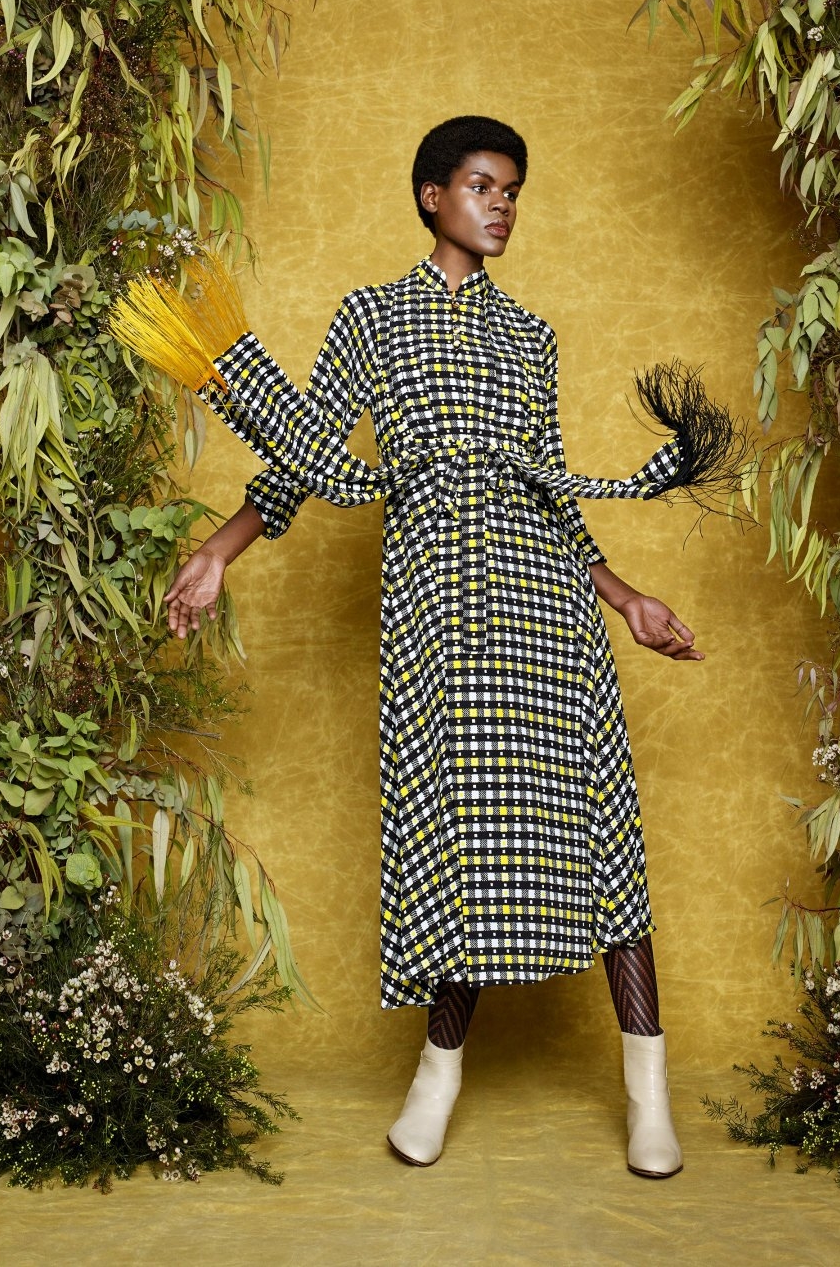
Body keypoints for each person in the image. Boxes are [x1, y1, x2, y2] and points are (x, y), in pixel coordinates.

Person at [163, 116, 719, 1178]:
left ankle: (649, 1093)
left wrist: (626, 599)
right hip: (435, 609)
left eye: (512, 191)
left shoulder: (533, 336)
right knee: (458, 836)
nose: (501, 205)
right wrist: (219, 550)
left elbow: (550, 489)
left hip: (544, 605)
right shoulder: (372, 316)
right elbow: (303, 455)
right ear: (432, 195)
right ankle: (438, 1073)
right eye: (481, 185)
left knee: (598, 822)